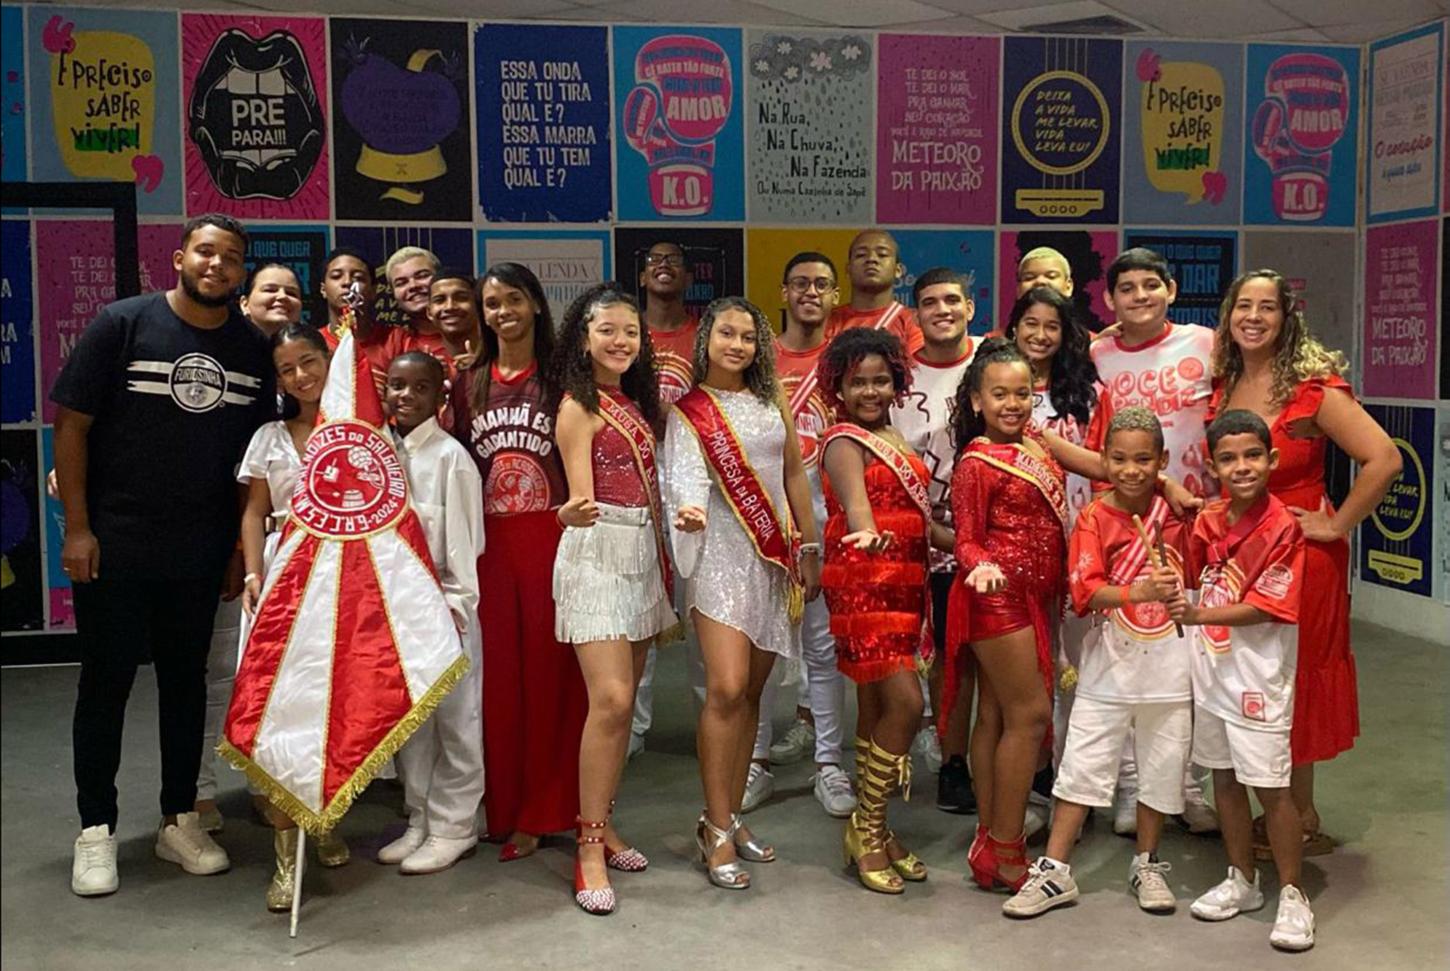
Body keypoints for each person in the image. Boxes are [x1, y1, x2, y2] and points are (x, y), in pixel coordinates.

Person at [58, 214, 274, 897]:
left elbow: (252, 464)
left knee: (186, 685)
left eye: (231, 257)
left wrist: (235, 549)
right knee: (107, 684)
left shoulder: (252, 349)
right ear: (179, 257)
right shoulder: (122, 324)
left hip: (199, 551)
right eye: (205, 251)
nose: (217, 265)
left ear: (240, 273)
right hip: (117, 543)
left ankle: (179, 818)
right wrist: (78, 528)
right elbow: (72, 426)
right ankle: (95, 828)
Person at [1208, 269, 1401, 858]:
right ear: (1228, 315)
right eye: (1244, 306)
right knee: (1253, 678)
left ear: (1286, 318)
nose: (1254, 317)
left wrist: (1337, 524)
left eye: (1267, 307)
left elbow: (1384, 459)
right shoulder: (1224, 380)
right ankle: (1275, 808)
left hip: (1302, 558)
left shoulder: (1314, 388)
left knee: (1296, 678)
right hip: (1240, 554)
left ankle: (1300, 812)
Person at [943, 339, 1126, 893]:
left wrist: (1162, 481)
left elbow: (1106, 468)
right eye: (999, 394)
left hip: (1036, 597)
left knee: (998, 716)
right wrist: (983, 567)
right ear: (977, 400)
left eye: (1022, 393)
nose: (1013, 404)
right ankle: (1007, 847)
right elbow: (967, 540)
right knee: (1031, 716)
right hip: (997, 597)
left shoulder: (1039, 444)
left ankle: (990, 840)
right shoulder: (975, 462)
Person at [1003, 407, 1193, 918]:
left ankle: (1148, 863)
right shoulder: (1092, 517)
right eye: (1120, 459)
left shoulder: (1179, 515)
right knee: (1082, 764)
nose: (1131, 470)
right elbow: (1086, 592)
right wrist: (1139, 591)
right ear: (1104, 460)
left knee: (1161, 766)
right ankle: (1055, 870)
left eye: (1144, 460)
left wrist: (1174, 492)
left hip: (1171, 667)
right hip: (1108, 666)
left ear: (1162, 461)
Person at [664, 296, 821, 889]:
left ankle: (725, 817)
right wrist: (689, 510)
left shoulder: (769, 401)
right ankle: (716, 827)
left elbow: (792, 475)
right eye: (726, 334)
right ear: (706, 339)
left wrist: (809, 546)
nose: (737, 345)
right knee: (726, 688)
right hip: (719, 557)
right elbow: (684, 478)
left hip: (772, 560)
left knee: (754, 694)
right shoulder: (689, 412)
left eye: (748, 337)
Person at [452, 262, 587, 864]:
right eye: (492, 303)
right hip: (489, 547)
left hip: (551, 540)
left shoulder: (562, 379)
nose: (502, 311)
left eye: (513, 299)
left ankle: (549, 810)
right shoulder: (468, 382)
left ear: (535, 304)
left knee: (553, 681)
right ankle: (504, 807)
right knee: (499, 685)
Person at [551, 284, 676, 915]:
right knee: (613, 699)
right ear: (583, 337)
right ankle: (588, 849)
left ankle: (604, 823)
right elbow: (577, 499)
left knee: (623, 712)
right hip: (598, 554)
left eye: (631, 331)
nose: (621, 341)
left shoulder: (636, 404)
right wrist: (568, 514)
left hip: (641, 554)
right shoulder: (578, 405)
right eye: (608, 330)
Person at [1172, 409, 1313, 952]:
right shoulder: (1207, 521)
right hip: (1212, 672)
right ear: (1212, 466)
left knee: (1272, 788)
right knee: (1224, 780)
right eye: (1228, 459)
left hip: (1259, 680)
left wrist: (1197, 616)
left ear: (1272, 459)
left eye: (1253, 455)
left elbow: (1266, 607)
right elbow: (1190, 576)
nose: (1242, 467)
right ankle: (1243, 880)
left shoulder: (1283, 528)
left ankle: (1294, 894)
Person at [1090, 246, 1218, 835]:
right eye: (1127, 288)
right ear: (1109, 300)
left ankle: (1183, 785)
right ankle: (1130, 786)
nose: (1139, 296)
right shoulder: (1097, 354)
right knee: (1127, 657)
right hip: (1125, 523)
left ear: (1171, 290)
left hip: (1194, 520)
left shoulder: (1206, 343)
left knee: (1186, 661)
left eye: (1150, 285)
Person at [817, 328, 947, 894]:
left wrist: (971, 545)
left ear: (897, 382)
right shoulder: (843, 441)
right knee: (907, 703)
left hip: (905, 583)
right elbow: (858, 509)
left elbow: (921, 521)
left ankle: (875, 827)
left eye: (880, 380)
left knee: (875, 708)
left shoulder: (894, 435)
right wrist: (867, 533)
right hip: (865, 584)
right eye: (857, 383)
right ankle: (866, 827)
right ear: (839, 388)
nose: (869, 391)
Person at [233, 325, 352, 908]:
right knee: (279, 713)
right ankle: (285, 859)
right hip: (283, 577)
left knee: (332, 708)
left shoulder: (356, 432)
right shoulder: (269, 437)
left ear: (329, 359)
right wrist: (253, 573)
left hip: (341, 581)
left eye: (309, 362)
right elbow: (254, 513)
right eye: (287, 369)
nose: (301, 376)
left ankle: (322, 820)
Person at [195, 262, 306, 835]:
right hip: (216, 533)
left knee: (293, 679)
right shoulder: (213, 351)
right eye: (269, 288)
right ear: (244, 299)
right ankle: (198, 791)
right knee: (220, 671)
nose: (281, 297)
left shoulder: (314, 370)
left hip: (290, 548)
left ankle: (280, 788)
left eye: (292, 290)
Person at [374, 352, 486, 875]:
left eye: (419, 388)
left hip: (445, 608)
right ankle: (419, 816)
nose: (405, 396)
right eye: (397, 385)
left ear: (440, 397)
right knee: (412, 724)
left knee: (456, 721)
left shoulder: (450, 459)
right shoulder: (379, 455)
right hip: (396, 611)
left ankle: (455, 825)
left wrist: (458, 607)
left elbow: (465, 544)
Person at [1004, 283, 1109, 834]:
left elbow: (1106, 465)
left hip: (1079, 546)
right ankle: (1030, 786)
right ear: (1013, 327)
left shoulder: (1087, 392)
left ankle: (1074, 787)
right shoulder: (998, 386)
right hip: (1018, 551)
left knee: (1078, 672)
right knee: (1031, 677)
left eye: (1053, 326)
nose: (1041, 335)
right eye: (1031, 324)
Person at [756, 253, 854, 819]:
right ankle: (756, 760)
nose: (810, 293)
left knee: (823, 649)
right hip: (763, 522)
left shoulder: (845, 360)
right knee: (763, 650)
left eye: (821, 285)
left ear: (835, 295)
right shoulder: (758, 356)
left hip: (826, 523)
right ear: (783, 292)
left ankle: (829, 764)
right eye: (800, 284)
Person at [889, 267, 978, 815]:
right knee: (930, 657)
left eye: (951, 300)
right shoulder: (898, 376)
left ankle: (974, 761)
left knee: (974, 659)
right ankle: (934, 761)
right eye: (929, 303)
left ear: (970, 307)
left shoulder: (992, 360)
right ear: (916, 315)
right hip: (919, 539)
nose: (942, 310)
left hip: (986, 536)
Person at [631, 240, 700, 760]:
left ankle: (712, 718)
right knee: (639, 599)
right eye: (654, 261)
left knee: (700, 602)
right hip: (634, 469)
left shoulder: (703, 333)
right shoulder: (627, 331)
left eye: (673, 261)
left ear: (689, 276)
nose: (663, 267)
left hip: (693, 471)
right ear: (641, 277)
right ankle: (632, 725)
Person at [824, 230, 923, 355]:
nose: (871, 259)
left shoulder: (913, 321)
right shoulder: (827, 321)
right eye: (861, 255)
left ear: (898, 270)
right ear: (848, 269)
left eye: (882, 255)